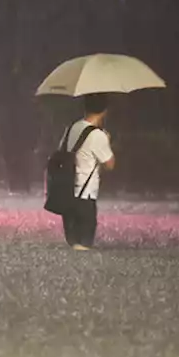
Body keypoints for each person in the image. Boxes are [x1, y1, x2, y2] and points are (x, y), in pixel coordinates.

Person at [60, 95, 116, 250]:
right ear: (104, 112)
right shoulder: (98, 135)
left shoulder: (71, 128)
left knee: (73, 244)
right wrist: (107, 142)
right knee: (84, 245)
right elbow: (110, 164)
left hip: (68, 192)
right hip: (86, 196)